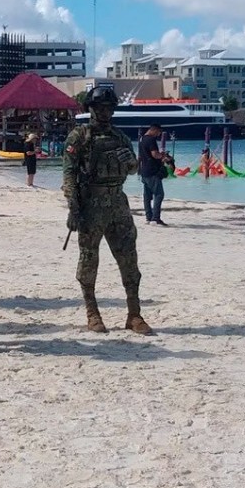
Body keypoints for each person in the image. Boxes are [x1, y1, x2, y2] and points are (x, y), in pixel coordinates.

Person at [63, 86, 152, 335]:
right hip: (91, 205)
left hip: (118, 204)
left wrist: (130, 162)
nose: (104, 112)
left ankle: (134, 314)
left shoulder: (121, 137)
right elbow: (69, 174)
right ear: (90, 109)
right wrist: (73, 207)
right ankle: (92, 313)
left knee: (129, 261)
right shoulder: (78, 137)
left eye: (108, 108)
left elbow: (134, 168)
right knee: (89, 261)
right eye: (99, 108)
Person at [139, 124, 169, 226]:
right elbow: (155, 155)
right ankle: (155, 218)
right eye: (158, 132)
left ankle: (148, 217)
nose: (158, 135)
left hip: (144, 170)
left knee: (147, 195)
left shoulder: (142, 139)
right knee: (159, 194)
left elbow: (140, 156)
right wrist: (163, 156)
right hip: (152, 171)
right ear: (154, 130)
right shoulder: (151, 140)